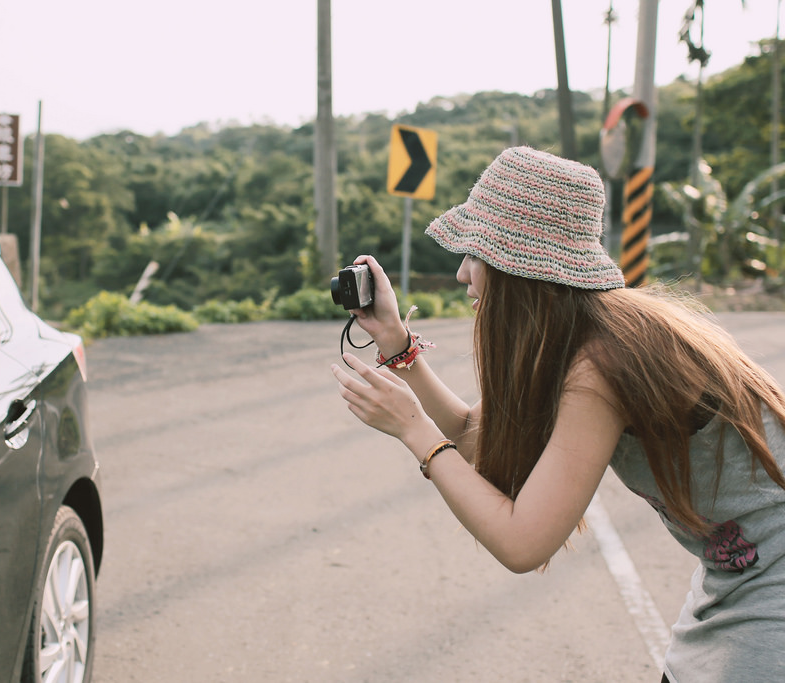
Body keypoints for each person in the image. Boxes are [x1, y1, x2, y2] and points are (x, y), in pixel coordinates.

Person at [330, 146, 785, 683]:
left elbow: (523, 544)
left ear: (518, 266)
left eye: (475, 252)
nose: (461, 273)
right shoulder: (584, 335)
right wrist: (396, 343)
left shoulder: (603, 364)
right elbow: (478, 439)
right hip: (736, 583)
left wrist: (415, 432)